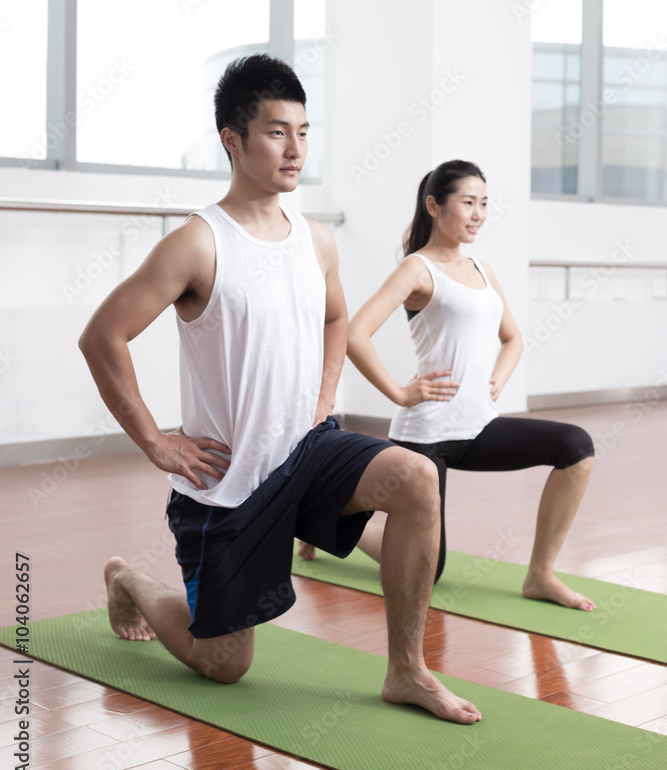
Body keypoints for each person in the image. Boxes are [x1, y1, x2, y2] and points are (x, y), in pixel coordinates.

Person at [78, 57, 482, 724]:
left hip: (309, 451)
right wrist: (155, 441)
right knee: (224, 665)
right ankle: (129, 580)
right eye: (274, 132)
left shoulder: (315, 241)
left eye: (302, 131)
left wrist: (325, 393)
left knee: (414, 477)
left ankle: (406, 671)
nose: (294, 149)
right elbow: (103, 337)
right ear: (232, 140)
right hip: (227, 481)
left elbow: (334, 317)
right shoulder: (197, 244)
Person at [305, 160, 595, 612]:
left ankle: (540, 575)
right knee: (430, 568)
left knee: (576, 447)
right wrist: (400, 395)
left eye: (484, 204)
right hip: (426, 435)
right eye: (468, 202)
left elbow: (513, 337)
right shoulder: (417, 269)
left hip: (479, 427)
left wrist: (498, 376)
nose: (478, 213)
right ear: (434, 206)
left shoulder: (482, 268)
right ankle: (325, 526)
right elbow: (354, 332)